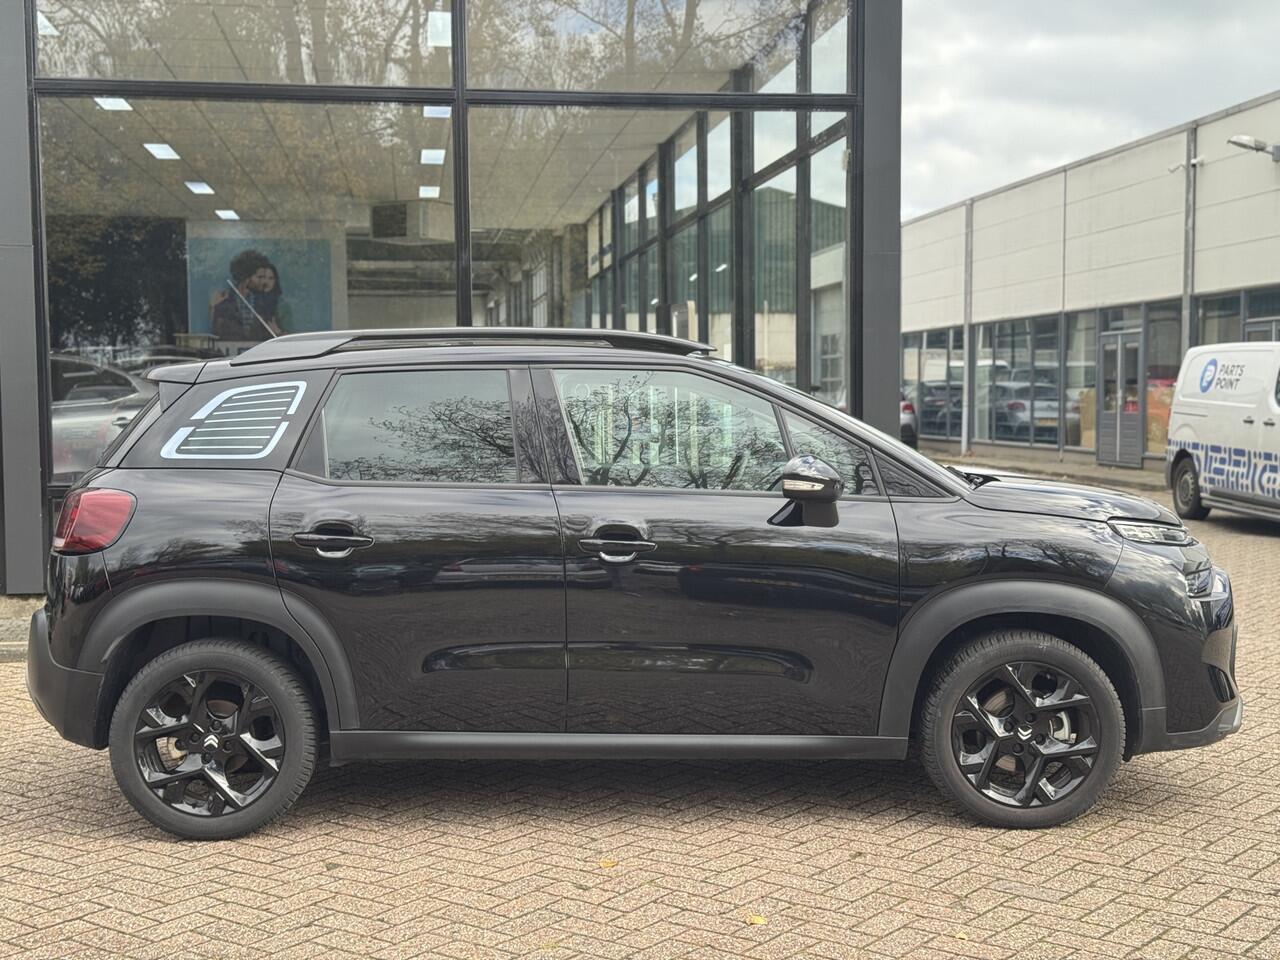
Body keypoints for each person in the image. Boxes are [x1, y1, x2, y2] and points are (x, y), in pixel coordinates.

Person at [209, 249, 280, 341]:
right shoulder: (223, 303)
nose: (263, 281)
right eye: (259, 277)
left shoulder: (268, 303)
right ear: (246, 278)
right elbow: (217, 335)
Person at [257, 262, 294, 335]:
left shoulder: (282, 306)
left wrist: (277, 331)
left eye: (271, 278)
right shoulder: (248, 301)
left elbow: (290, 336)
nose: (266, 281)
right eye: (263, 277)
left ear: (275, 281)